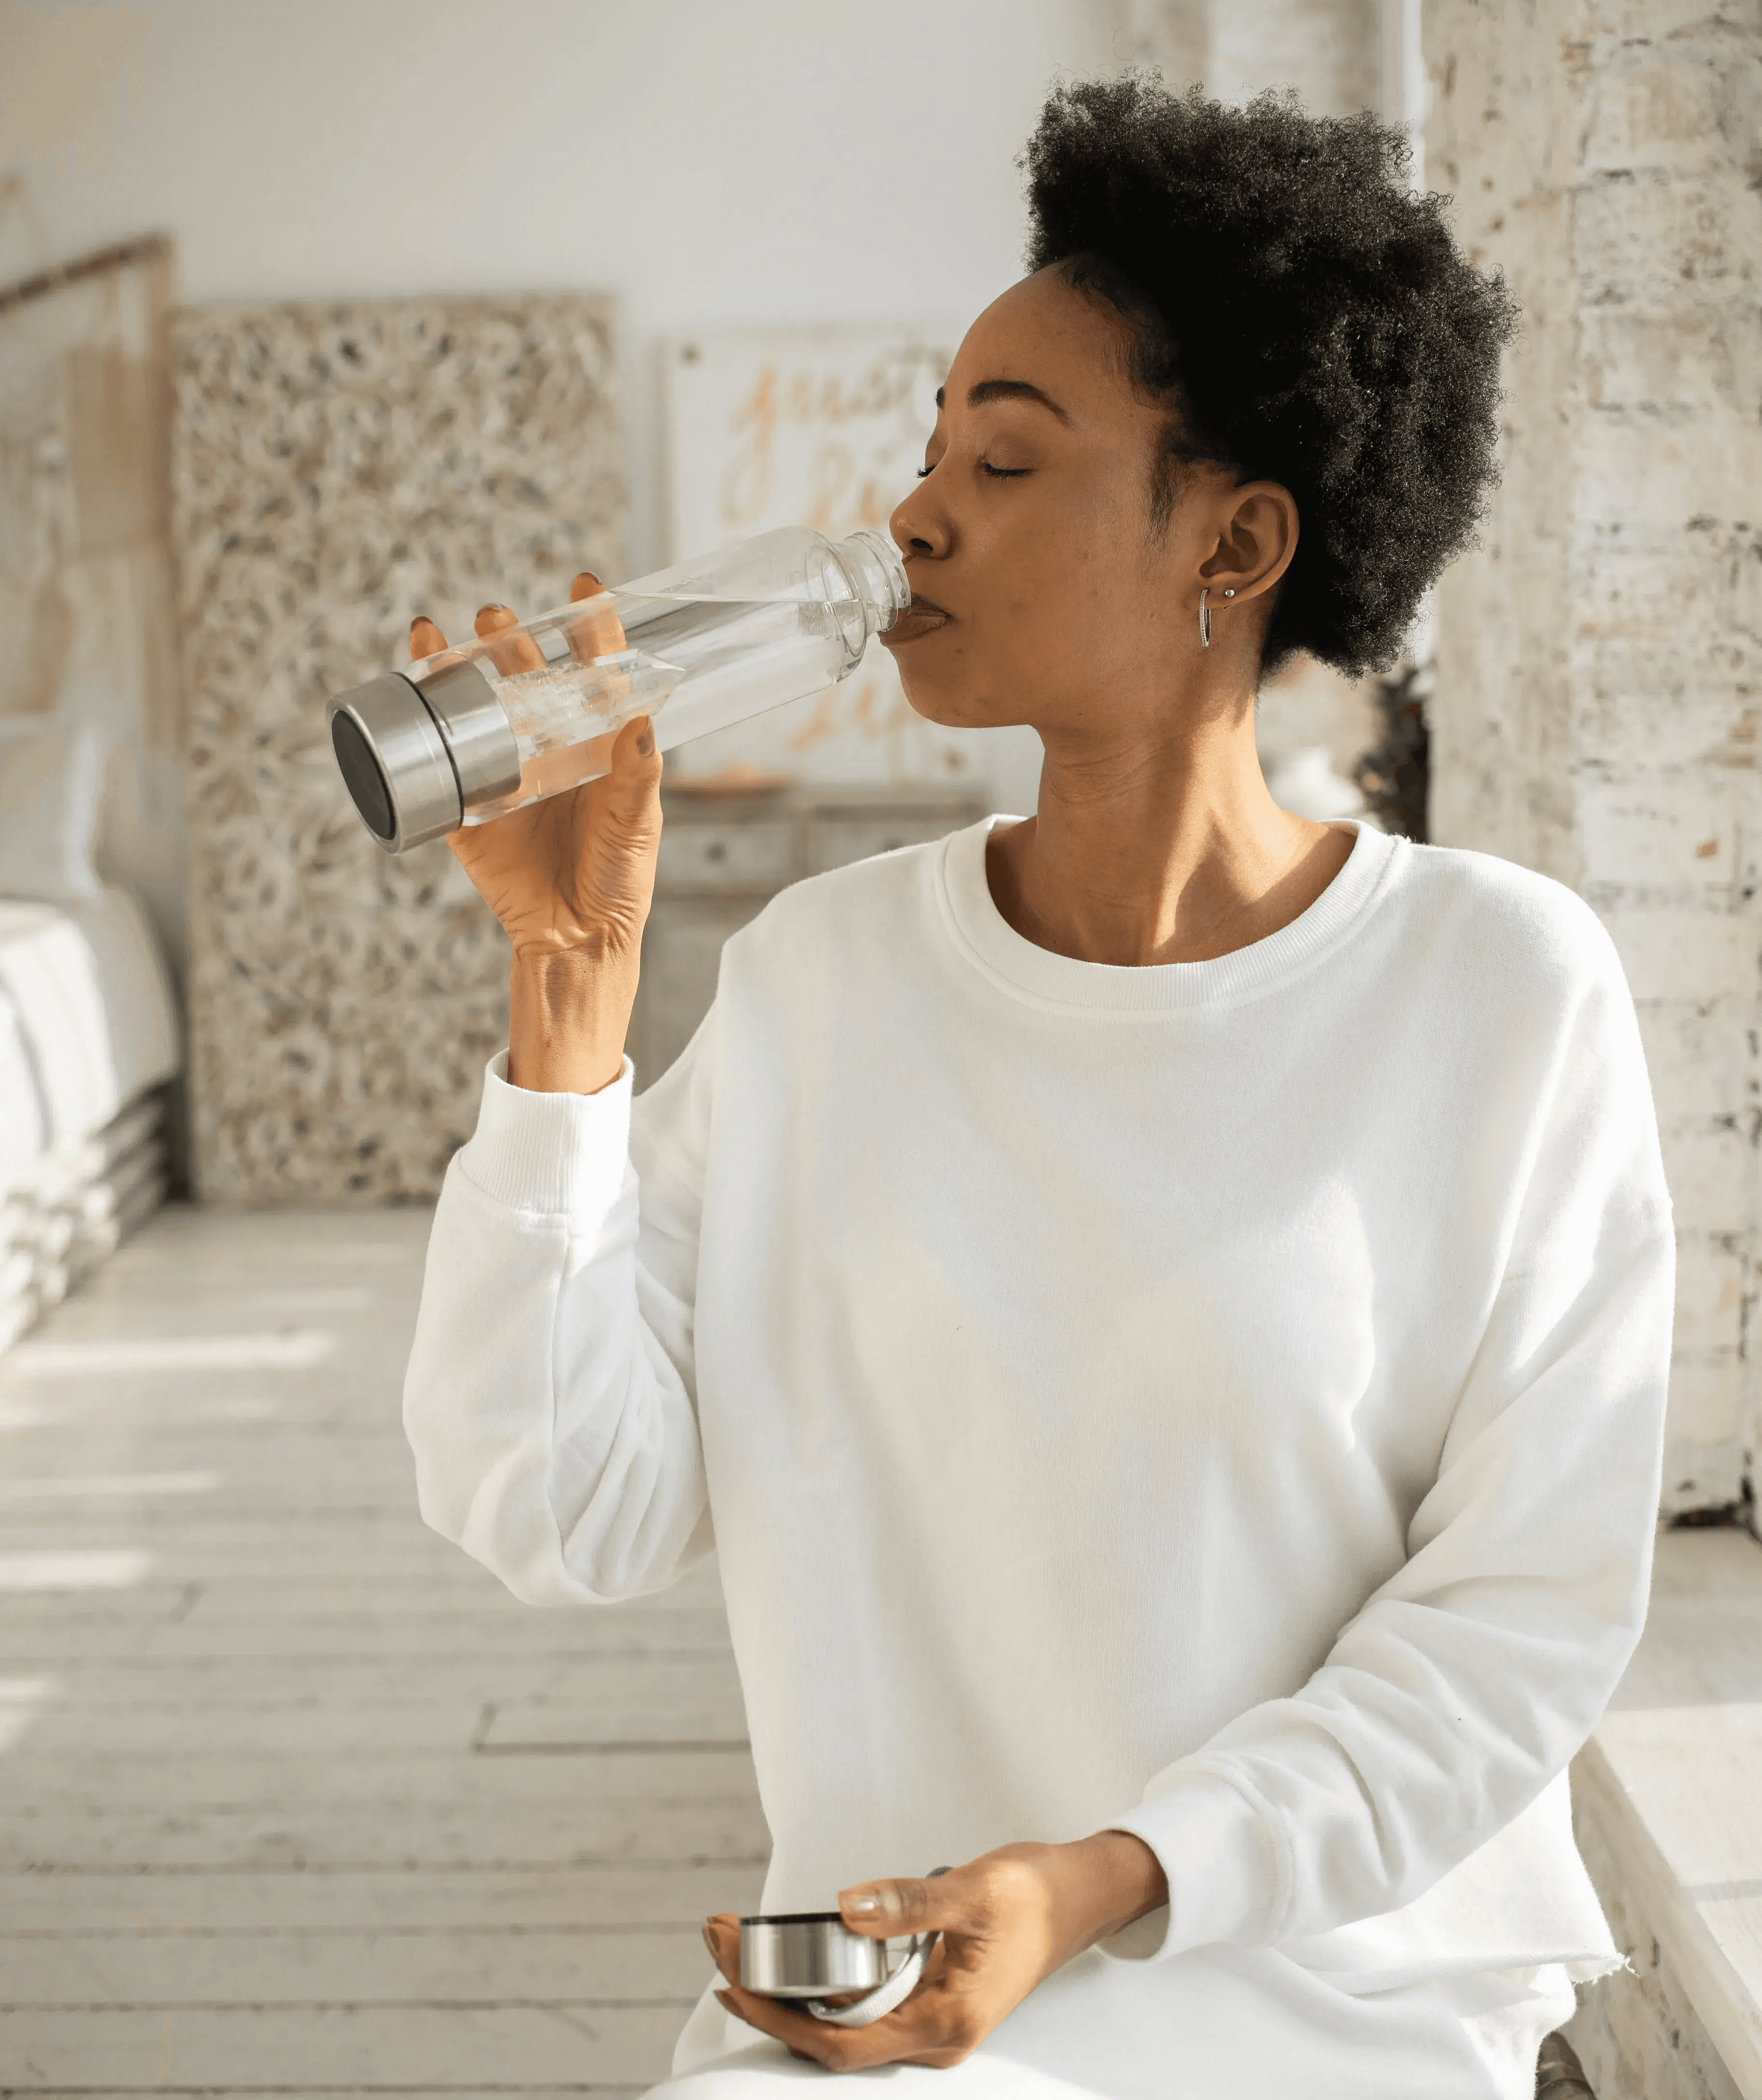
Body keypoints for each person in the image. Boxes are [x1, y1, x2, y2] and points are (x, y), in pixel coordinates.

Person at [401, 77, 1673, 2098]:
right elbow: (552, 1506)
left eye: (1006, 460)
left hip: (1325, 1990)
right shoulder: (823, 984)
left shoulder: (1500, 995)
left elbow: (1515, 1627)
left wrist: (1100, 1882)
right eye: (927, 456)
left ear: (1237, 540)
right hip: (888, 2003)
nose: (913, 516)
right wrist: (568, 1005)